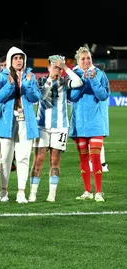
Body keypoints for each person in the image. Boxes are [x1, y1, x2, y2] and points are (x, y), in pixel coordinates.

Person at [29, 55, 83, 202]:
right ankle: (33, 193)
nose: (57, 70)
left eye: (59, 68)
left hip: (60, 127)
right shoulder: (40, 81)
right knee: (38, 160)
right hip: (42, 126)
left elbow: (78, 82)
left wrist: (65, 67)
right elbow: (41, 96)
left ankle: (51, 194)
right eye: (55, 67)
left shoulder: (64, 81)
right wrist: (50, 80)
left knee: (55, 160)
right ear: (48, 68)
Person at [0, 46, 40, 204]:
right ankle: (3, 191)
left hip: (25, 122)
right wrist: (10, 85)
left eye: (21, 58)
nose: (19, 61)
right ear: (10, 60)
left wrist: (26, 84)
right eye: (16, 58)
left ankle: (21, 192)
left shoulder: (30, 76)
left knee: (23, 157)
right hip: (7, 121)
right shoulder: (2, 76)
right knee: (4, 158)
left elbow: (35, 97)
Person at [69, 46, 110, 202]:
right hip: (79, 123)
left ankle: (98, 192)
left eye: (88, 58)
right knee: (83, 158)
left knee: (95, 157)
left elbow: (102, 95)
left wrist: (92, 79)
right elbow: (72, 97)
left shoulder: (100, 74)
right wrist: (83, 81)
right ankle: (87, 191)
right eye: (83, 59)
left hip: (95, 123)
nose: (86, 61)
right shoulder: (74, 75)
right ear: (78, 60)